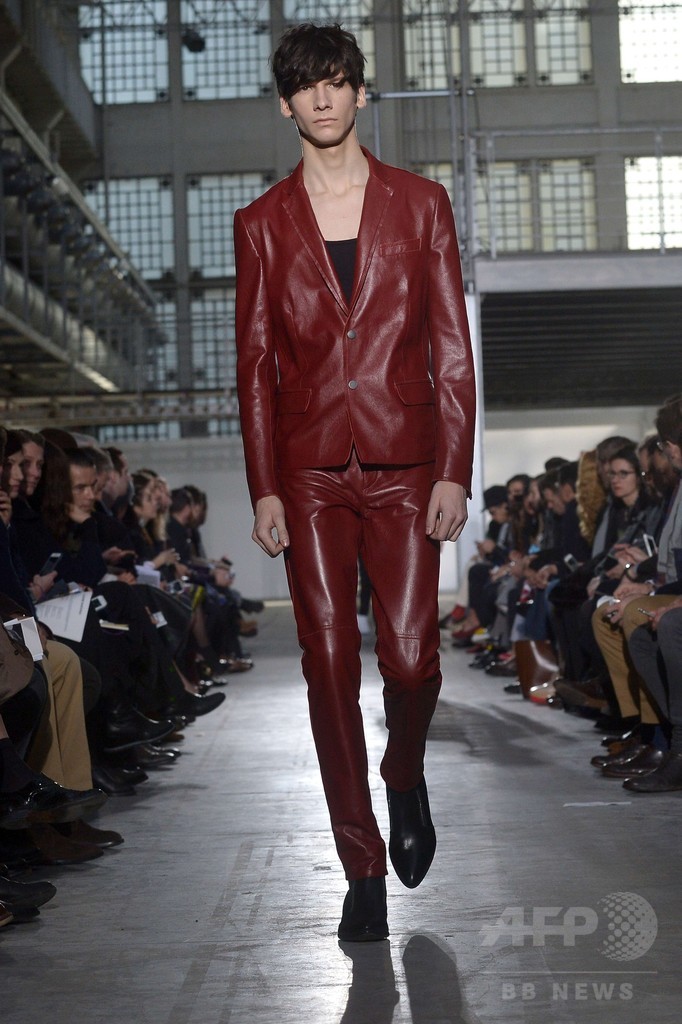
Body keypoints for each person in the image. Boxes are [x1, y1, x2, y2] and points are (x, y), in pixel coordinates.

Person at [234, 23, 475, 942]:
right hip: (308, 473)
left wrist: (455, 468)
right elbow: (256, 364)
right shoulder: (261, 223)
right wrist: (264, 486)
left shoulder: (421, 204)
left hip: (408, 465)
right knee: (328, 664)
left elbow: (450, 348)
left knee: (412, 661)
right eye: (307, 86)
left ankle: (403, 773)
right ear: (286, 105)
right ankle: (360, 865)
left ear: (361, 94)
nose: (324, 97)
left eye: (338, 81)